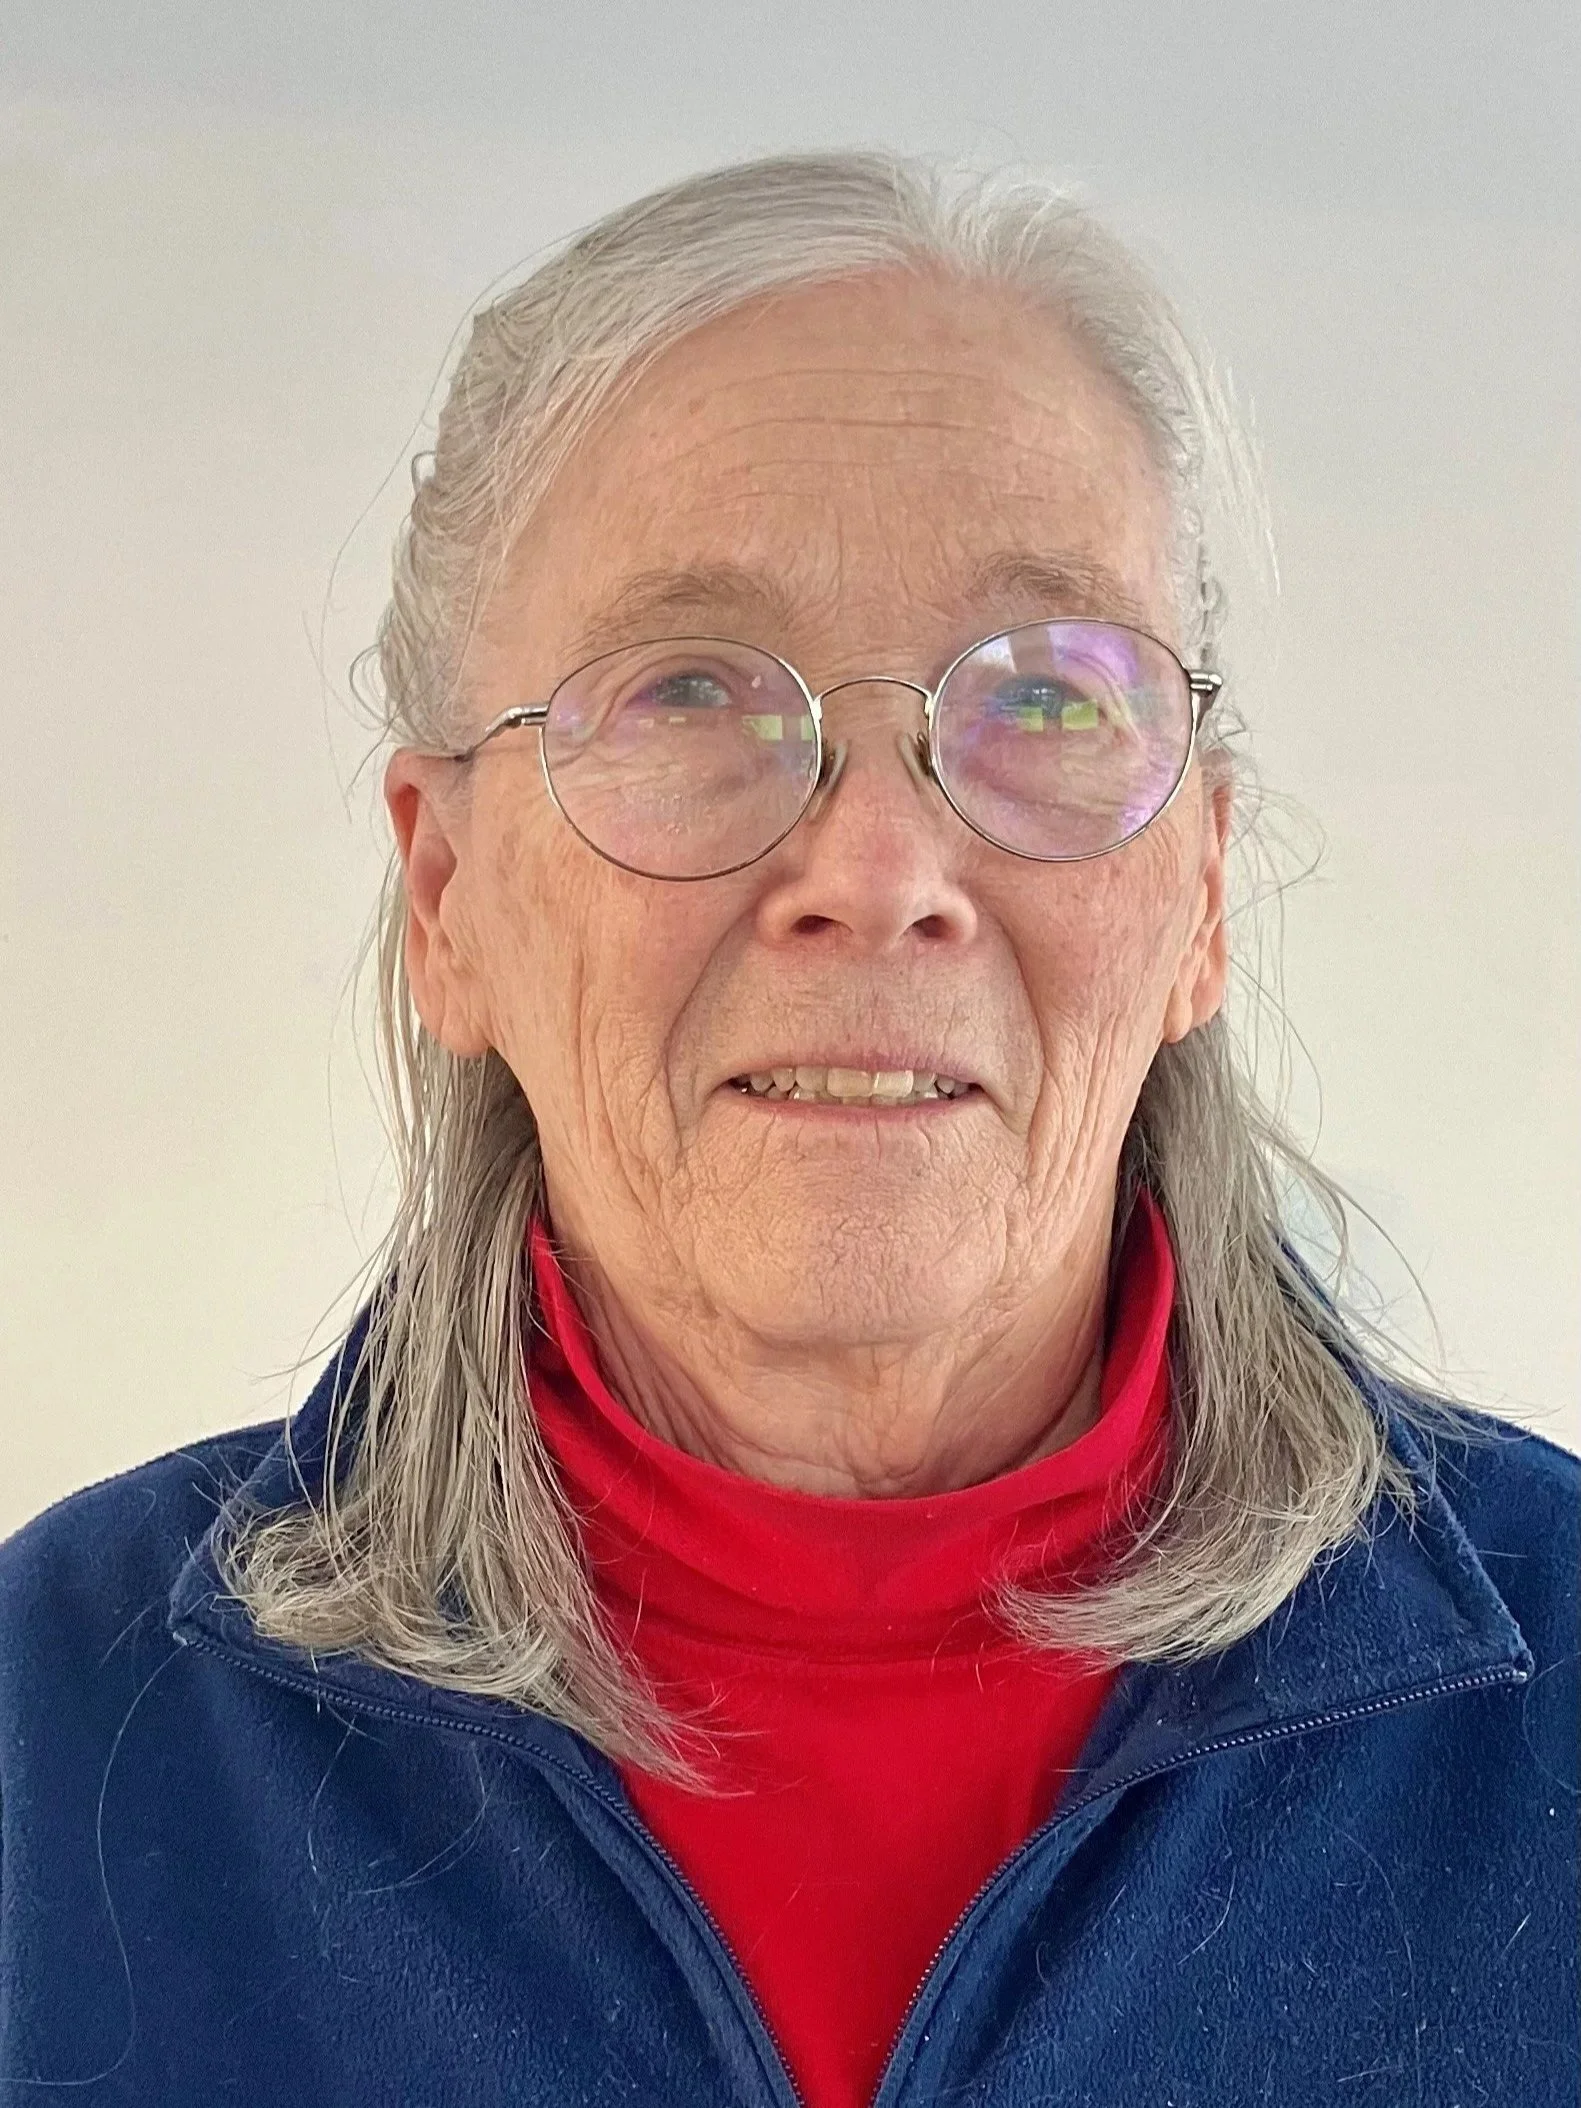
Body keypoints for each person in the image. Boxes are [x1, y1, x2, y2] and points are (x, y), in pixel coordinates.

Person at [1, 151, 1574, 2108]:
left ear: (1201, 889)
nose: (879, 867)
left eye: (1047, 695)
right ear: (444, 896)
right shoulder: (56, 1730)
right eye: (686, 688)